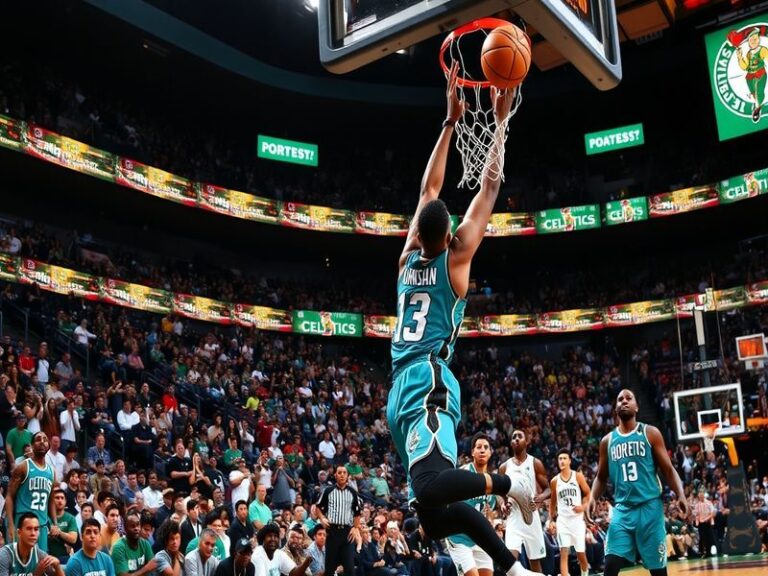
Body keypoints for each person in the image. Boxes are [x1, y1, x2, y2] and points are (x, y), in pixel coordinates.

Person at [387, 63, 536, 576]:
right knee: (432, 517)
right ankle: (511, 564)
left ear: (418, 234)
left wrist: (450, 122)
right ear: (450, 235)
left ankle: (504, 487)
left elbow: (428, 192)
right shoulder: (456, 260)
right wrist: (497, 123)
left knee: (431, 491)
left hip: (416, 381)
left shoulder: (407, 259)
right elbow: (488, 189)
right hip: (418, 381)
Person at [589, 389, 688, 576]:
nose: (624, 401)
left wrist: (680, 494)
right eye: (620, 399)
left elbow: (668, 470)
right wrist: (592, 498)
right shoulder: (607, 442)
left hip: (650, 509)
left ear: (636, 406)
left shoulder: (650, 433)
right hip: (623, 510)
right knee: (610, 564)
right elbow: (601, 477)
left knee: (658, 572)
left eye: (628, 398)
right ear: (615, 408)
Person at [445, 433, 498, 576]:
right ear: (472, 452)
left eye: (486, 447)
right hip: (459, 537)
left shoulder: (491, 481)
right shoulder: (463, 474)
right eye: (478, 447)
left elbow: (488, 512)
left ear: (490, 452)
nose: (482, 450)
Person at [499, 430, 550, 573]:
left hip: (531, 516)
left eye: (519, 437)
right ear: (510, 443)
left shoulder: (535, 463)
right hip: (514, 516)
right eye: (513, 437)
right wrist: (503, 503)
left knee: (535, 563)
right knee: (509, 561)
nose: (516, 439)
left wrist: (540, 498)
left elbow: (548, 489)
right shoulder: (504, 467)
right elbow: (498, 492)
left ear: (526, 442)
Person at [6, 431, 56, 552]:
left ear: (48, 446)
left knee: (41, 565)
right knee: (19, 565)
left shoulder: (52, 471)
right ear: (32, 445)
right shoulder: (23, 467)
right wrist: (11, 525)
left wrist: (55, 523)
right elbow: (9, 497)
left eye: (45, 439)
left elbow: (51, 500)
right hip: (23, 522)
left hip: (42, 526)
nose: (42, 442)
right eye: (38, 439)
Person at [548, 449, 591, 576]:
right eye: (560, 459)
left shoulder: (577, 476)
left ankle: (585, 573)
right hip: (563, 522)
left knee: (580, 554)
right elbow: (552, 503)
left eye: (564, 458)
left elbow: (588, 494)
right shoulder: (554, 481)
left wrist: (583, 507)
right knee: (564, 552)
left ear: (569, 461)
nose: (562, 461)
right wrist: (551, 520)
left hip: (577, 521)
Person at [315, 466, 361, 576]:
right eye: (339, 472)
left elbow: (357, 513)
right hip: (332, 532)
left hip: (347, 533)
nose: (342, 475)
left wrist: (355, 528)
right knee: (330, 568)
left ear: (347, 476)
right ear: (335, 475)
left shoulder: (353, 492)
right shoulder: (328, 491)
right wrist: (322, 518)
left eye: (344, 472)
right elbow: (318, 507)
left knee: (350, 568)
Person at [111, 511, 157, 576]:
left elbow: (153, 566)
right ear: (125, 529)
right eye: (132, 526)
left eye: (138, 525)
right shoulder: (119, 548)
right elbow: (123, 575)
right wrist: (146, 569)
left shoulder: (145, 544)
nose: (136, 528)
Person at [48, 489, 78, 564]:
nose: (60, 500)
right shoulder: (46, 517)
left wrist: (59, 532)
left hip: (64, 556)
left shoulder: (71, 518)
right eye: (57, 498)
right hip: (48, 555)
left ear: (65, 501)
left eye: (62, 498)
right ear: (52, 501)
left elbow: (73, 538)